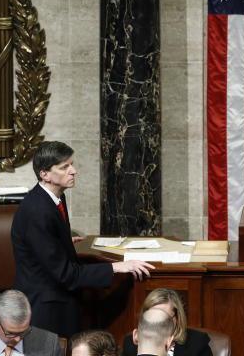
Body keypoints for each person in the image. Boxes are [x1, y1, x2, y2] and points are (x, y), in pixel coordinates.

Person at [11, 140, 154, 338]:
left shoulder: (55, 197)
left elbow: (45, 247)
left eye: (71, 164)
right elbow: (66, 275)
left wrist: (63, 242)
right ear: (44, 174)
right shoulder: (37, 211)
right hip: (46, 307)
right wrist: (117, 267)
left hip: (57, 297)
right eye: (64, 167)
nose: (73, 171)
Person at [123, 288, 213, 356]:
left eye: (165, 317)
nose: (158, 321)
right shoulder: (130, 343)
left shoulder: (198, 343)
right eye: (152, 314)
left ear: (177, 317)